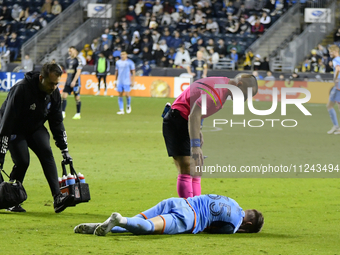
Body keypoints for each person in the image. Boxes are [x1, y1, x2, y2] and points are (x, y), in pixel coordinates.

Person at [162, 74, 258, 198]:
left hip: (183, 120)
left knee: (196, 169)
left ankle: (196, 207)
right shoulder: (216, 92)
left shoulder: (222, 85)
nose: (244, 99)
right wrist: (195, 146)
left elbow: (198, 107)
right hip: (178, 121)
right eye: (245, 95)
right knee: (187, 167)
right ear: (239, 85)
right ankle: (190, 210)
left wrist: (198, 129)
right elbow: (194, 115)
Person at [0, 63, 74, 213]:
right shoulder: (21, 89)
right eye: (51, 83)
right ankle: (12, 199)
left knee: (46, 152)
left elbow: (57, 122)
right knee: (23, 161)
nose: (54, 87)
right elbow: (7, 122)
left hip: (35, 127)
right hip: (14, 128)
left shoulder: (54, 93)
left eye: (56, 83)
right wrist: (1, 153)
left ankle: (58, 197)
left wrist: (64, 149)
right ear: (41, 78)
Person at [74, 194, 264, 236]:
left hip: (179, 202)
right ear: (247, 224)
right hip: (188, 218)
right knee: (148, 228)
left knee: (139, 220)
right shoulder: (233, 225)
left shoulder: (232, 200)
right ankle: (119, 219)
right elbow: (211, 230)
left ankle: (99, 226)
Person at [61, 46, 83, 120]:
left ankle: (78, 113)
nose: (70, 52)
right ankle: (63, 112)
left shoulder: (78, 60)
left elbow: (78, 71)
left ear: (75, 51)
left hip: (76, 82)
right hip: (68, 81)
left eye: (71, 51)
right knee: (64, 96)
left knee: (77, 97)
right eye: (69, 51)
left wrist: (74, 81)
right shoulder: (67, 60)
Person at [326, 45, 340, 134]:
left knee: (330, 106)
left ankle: (336, 126)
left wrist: (335, 78)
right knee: (331, 105)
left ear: (335, 51)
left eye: (330, 51)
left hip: (338, 84)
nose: (329, 53)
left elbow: (338, 69)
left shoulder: (336, 60)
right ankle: (336, 126)